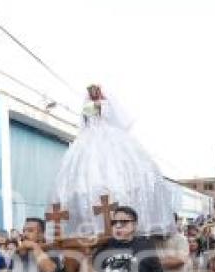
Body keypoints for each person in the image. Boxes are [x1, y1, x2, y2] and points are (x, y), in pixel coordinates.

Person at [50, 85, 175, 237]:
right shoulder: (87, 107)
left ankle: (125, 220)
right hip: (88, 140)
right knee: (90, 178)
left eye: (96, 92)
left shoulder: (106, 105)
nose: (94, 94)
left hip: (109, 137)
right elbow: (84, 122)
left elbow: (114, 117)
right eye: (91, 92)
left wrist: (100, 105)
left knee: (115, 174)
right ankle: (92, 224)